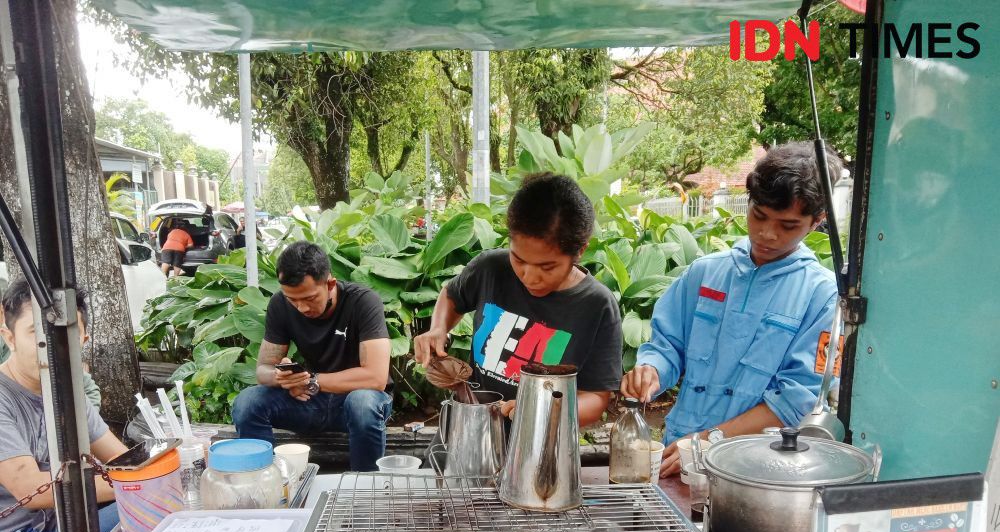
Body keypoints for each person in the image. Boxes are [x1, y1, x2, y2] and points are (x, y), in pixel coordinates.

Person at [621, 141, 842, 476]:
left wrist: (709, 441)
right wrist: (649, 372)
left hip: (758, 471)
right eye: (759, 216)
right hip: (677, 453)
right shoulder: (704, 273)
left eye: (788, 225)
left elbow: (799, 400)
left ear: (817, 221)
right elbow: (667, 346)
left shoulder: (824, 297)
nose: (767, 234)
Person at [413, 172, 622, 426]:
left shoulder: (597, 305)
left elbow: (596, 398)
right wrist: (438, 329)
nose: (529, 277)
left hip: (540, 447)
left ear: (579, 251)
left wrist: (540, 410)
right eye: (519, 260)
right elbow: (451, 295)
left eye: (547, 267)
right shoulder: (490, 268)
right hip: (472, 432)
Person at [0, 279, 128, 532]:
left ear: (83, 339)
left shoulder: (66, 389)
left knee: (159, 501)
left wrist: (172, 466)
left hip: (60, 525)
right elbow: (32, 490)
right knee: (149, 508)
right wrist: (138, 486)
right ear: (9, 338)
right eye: (36, 333)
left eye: (67, 332)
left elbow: (120, 457)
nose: (52, 344)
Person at [231, 242, 393, 471]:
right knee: (247, 402)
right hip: (309, 402)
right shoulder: (279, 304)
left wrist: (311, 381)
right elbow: (263, 371)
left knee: (362, 402)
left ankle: (365, 487)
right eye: (292, 299)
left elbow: (375, 378)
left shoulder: (363, 302)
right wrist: (283, 378)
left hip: (357, 403)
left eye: (309, 298)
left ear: (330, 283)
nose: (301, 308)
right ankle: (265, 480)